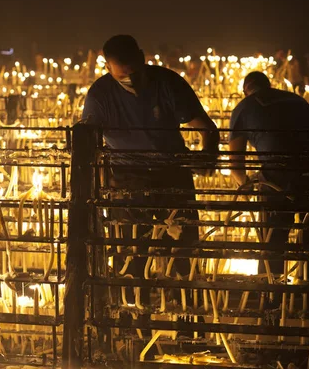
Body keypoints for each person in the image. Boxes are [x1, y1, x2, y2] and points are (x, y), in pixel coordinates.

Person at [82, 35, 219, 279]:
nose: (131, 80)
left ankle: (183, 303)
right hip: (126, 177)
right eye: (123, 76)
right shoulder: (100, 95)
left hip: (172, 173)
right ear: (107, 68)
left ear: (142, 57)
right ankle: (135, 306)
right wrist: (100, 184)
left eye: (134, 72)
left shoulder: (167, 83)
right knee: (132, 251)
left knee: (182, 246)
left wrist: (208, 155)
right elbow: (88, 142)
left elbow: (207, 128)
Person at [229, 71, 309, 288]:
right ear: (269, 85)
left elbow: (236, 163)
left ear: (246, 90)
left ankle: (271, 293)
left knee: (273, 238)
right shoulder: (298, 101)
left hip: (277, 177)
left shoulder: (244, 107)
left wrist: (245, 185)